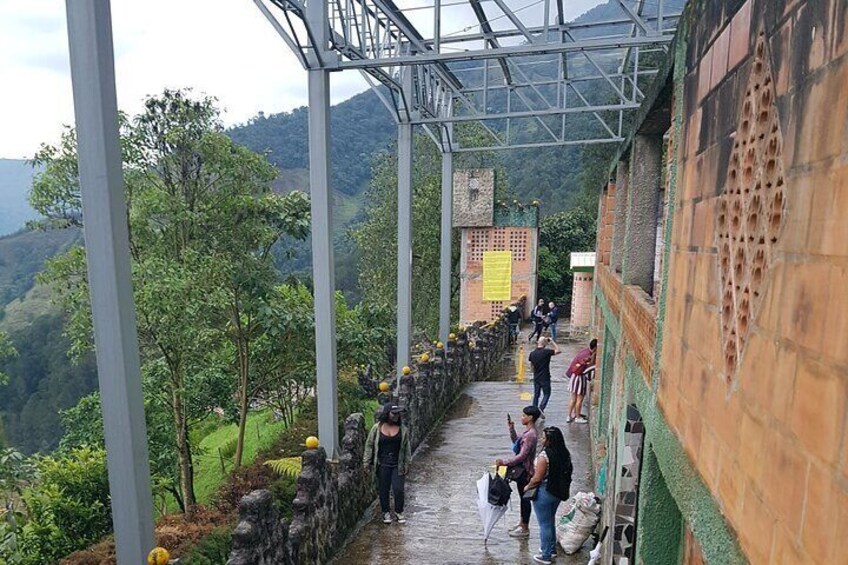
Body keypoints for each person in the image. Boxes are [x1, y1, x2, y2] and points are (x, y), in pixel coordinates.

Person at [525, 426, 573, 564]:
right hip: (557, 492)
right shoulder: (564, 453)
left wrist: (527, 487)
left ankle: (545, 555)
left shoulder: (544, 457)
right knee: (550, 520)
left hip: (544, 492)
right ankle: (551, 549)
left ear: (549, 441)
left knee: (544, 524)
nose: (542, 439)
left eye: (544, 438)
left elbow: (537, 478)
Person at [495, 406, 542, 539]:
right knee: (522, 499)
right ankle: (522, 523)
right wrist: (511, 429)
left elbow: (521, 456)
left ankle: (525, 527)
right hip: (522, 470)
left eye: (524, 415)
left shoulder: (531, 435)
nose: (522, 417)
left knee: (524, 499)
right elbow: (517, 442)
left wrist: (504, 462)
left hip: (525, 472)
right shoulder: (527, 433)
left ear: (530, 417)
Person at [363, 404, 412, 524]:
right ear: (387, 414)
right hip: (382, 464)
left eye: (398, 414)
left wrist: (407, 463)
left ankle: (399, 511)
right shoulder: (377, 428)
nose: (396, 416)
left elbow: (406, 448)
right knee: (383, 490)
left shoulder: (403, 430)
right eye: (393, 413)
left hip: (397, 464)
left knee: (398, 489)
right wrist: (366, 462)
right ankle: (386, 512)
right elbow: (369, 445)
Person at [566, 339, 598, 424]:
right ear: (595, 348)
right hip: (580, 378)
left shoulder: (584, 351)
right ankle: (577, 417)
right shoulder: (588, 356)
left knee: (573, 399)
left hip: (574, 377)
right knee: (579, 399)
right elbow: (590, 366)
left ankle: (569, 416)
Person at [528, 337, 561, 411]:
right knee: (547, 394)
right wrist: (552, 341)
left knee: (536, 394)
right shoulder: (546, 352)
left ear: (537, 343)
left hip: (536, 376)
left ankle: (534, 409)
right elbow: (558, 351)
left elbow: (532, 366)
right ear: (545, 344)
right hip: (545, 376)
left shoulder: (532, 354)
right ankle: (541, 408)